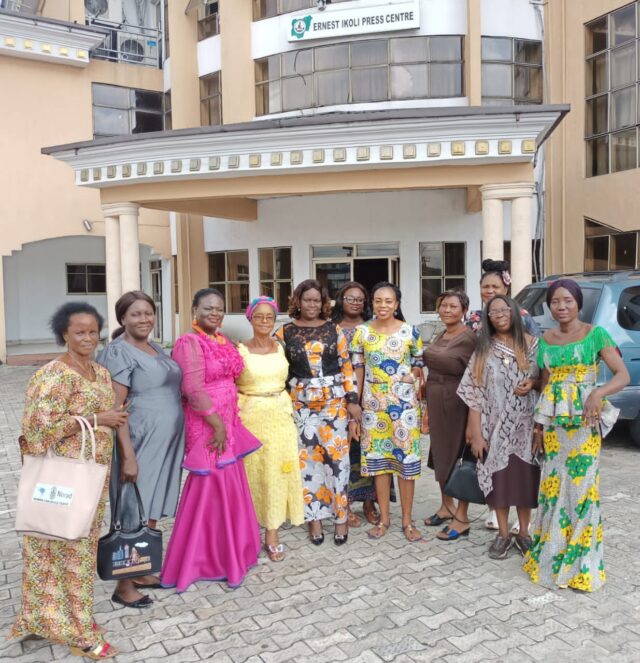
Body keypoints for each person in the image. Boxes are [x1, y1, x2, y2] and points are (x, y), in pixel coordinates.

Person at [11, 303, 129, 660]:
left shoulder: (99, 372)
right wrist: (97, 419)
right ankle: (79, 632)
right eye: (80, 332)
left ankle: (54, 618)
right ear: (64, 333)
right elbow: (36, 432)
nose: (88, 338)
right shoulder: (53, 375)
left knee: (76, 550)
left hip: (91, 478)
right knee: (65, 551)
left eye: (93, 332)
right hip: (63, 480)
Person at [523, 279, 629, 592]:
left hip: (584, 423)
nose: (562, 306)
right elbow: (545, 383)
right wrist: (538, 427)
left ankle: (581, 565)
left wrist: (598, 392)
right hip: (555, 426)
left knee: (581, 489)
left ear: (578, 303)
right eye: (556, 301)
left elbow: (622, 375)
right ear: (549, 306)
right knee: (554, 487)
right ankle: (554, 555)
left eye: (568, 300)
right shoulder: (545, 339)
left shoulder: (596, 334)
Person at [161, 288, 262, 591]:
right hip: (208, 423)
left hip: (228, 420)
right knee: (210, 485)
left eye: (219, 308)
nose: (215, 313)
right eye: (208, 308)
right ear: (195, 310)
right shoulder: (189, 342)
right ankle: (203, 559)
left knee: (229, 483)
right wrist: (216, 424)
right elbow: (192, 388)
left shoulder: (222, 340)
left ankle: (233, 553)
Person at [97, 291, 185, 608]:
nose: (144, 319)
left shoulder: (154, 347)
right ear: (123, 318)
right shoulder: (117, 352)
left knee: (151, 504)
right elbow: (116, 407)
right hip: (138, 440)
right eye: (136, 314)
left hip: (165, 443)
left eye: (148, 313)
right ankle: (123, 585)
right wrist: (128, 456)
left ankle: (141, 569)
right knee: (133, 508)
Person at [275, 279, 361, 546]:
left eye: (316, 300)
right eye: (307, 299)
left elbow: (346, 366)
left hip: (334, 404)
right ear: (298, 301)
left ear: (323, 303)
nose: (312, 304)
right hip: (301, 406)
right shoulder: (284, 332)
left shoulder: (334, 329)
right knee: (308, 463)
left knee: (338, 461)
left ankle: (341, 517)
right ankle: (314, 518)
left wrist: (352, 400)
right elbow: (278, 371)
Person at [457, 296, 541, 559]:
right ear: (488, 318)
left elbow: (546, 381)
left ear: (514, 312)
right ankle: (503, 535)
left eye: (505, 310)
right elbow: (474, 393)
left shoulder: (534, 345)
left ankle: (524, 533)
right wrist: (476, 433)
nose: (500, 315)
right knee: (500, 482)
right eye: (494, 312)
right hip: (495, 428)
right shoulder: (484, 350)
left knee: (526, 481)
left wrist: (534, 384)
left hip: (527, 427)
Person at [350, 282, 424, 541]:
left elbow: (418, 363)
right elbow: (358, 370)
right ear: (372, 303)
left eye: (388, 301)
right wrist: (356, 406)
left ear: (397, 304)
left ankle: (407, 521)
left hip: (404, 410)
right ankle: (384, 519)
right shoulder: (361, 332)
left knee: (405, 464)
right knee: (379, 465)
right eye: (378, 300)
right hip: (373, 409)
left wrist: (412, 377)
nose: (383, 305)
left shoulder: (410, 332)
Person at [237, 296, 304, 561]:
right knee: (251, 475)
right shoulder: (240, 350)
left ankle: (272, 534)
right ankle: (247, 533)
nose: (264, 321)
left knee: (276, 474)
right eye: (259, 316)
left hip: (280, 419)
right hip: (250, 417)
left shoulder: (281, 347)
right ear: (250, 319)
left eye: (269, 317)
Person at [423, 290, 478, 541]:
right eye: (443, 305)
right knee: (439, 453)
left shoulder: (468, 338)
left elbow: (476, 376)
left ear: (464, 310)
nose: (447, 310)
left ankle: (461, 516)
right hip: (436, 399)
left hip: (456, 401)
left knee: (456, 455)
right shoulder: (442, 333)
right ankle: (446, 506)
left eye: (453, 306)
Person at [331, 281, 385, 527]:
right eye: (350, 298)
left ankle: (370, 502)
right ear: (341, 300)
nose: (355, 302)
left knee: (370, 448)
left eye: (360, 299)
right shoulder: (331, 328)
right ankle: (346, 502)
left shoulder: (374, 327)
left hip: (372, 395)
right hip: (339, 395)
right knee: (345, 450)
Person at [466, 259, 540, 337]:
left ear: (505, 290)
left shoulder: (520, 316)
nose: (490, 291)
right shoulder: (475, 318)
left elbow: (537, 342)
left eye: (495, 287)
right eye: (485, 287)